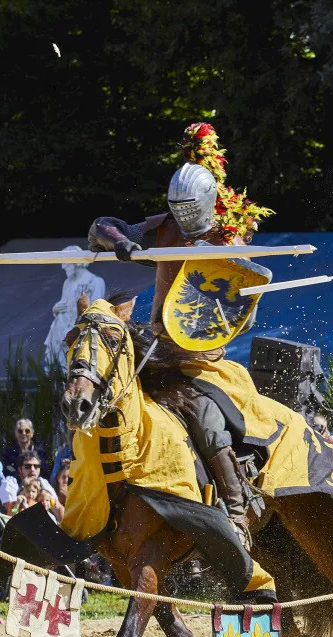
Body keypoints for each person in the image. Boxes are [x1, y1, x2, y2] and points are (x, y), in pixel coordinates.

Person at [85, 122, 272, 549]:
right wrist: (124, 244)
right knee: (96, 395)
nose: (184, 215)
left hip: (198, 355)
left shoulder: (231, 239)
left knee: (204, 419)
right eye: (178, 207)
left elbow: (238, 304)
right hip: (152, 345)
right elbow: (100, 225)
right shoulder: (165, 227)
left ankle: (236, 508)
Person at [45, 247, 107, 366]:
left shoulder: (95, 282)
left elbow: (95, 311)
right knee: (57, 366)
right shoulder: (68, 283)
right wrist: (56, 309)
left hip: (80, 331)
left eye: (65, 262)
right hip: (60, 330)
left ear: (76, 261)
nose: (63, 266)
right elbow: (64, 304)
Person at [0, 450, 62, 519]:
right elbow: (11, 512)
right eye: (28, 466)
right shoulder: (10, 482)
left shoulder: (43, 483)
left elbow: (58, 508)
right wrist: (17, 504)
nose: (32, 469)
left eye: (36, 466)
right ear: (20, 469)